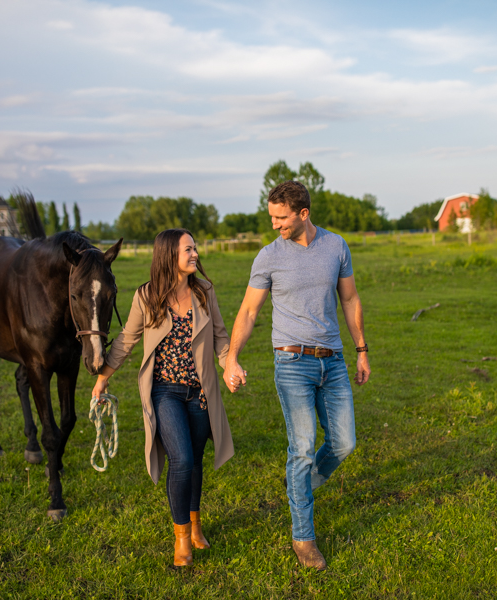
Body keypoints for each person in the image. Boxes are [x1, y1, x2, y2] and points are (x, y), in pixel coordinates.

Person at [222, 180, 370, 571]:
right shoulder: (268, 257)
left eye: (281, 218)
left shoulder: (336, 246)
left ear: (303, 214)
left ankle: (299, 485)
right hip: (291, 363)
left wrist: (361, 350)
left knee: (344, 443)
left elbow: (350, 298)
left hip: (334, 361)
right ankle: (304, 538)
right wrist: (231, 358)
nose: (274, 225)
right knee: (302, 448)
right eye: (271, 216)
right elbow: (249, 312)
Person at [92, 228, 233, 568]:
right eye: (188, 249)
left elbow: (220, 337)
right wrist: (102, 379)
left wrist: (230, 366)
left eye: (195, 248)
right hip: (165, 391)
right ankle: (181, 537)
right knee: (181, 459)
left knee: (196, 460)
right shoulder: (147, 296)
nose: (195, 253)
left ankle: (196, 526)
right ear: (170, 255)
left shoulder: (205, 292)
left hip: (200, 392)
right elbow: (126, 340)